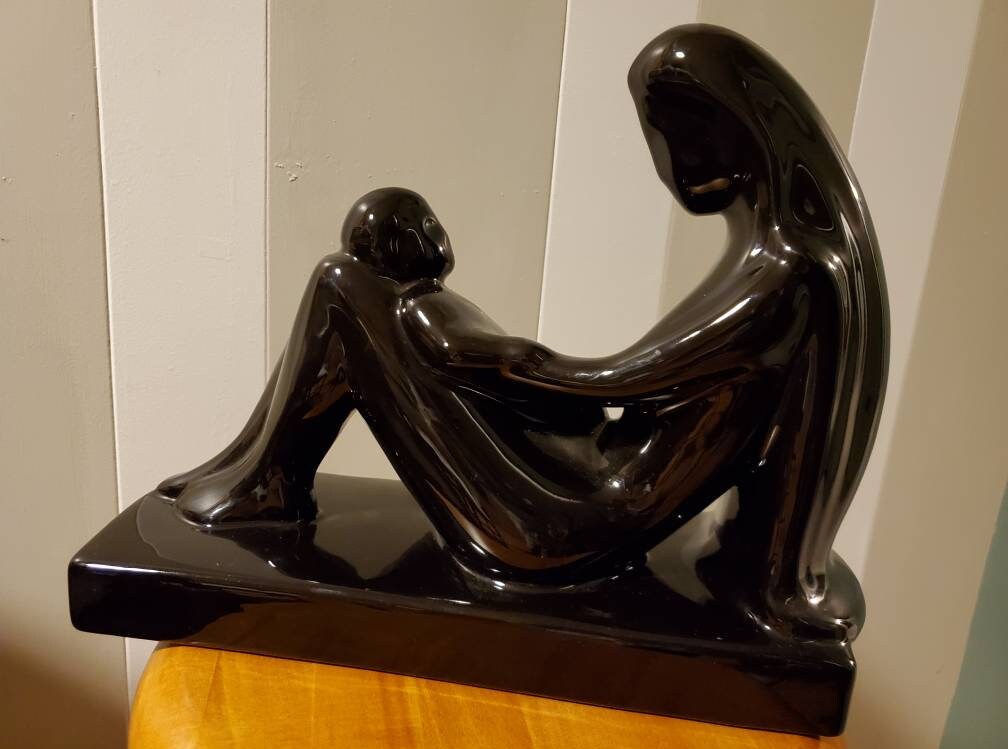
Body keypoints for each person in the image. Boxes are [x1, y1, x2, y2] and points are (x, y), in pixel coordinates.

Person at [161, 26, 887, 640]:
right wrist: (490, 365)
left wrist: (485, 360)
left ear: (724, 125)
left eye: (664, 134)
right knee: (348, 286)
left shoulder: (788, 278)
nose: (666, 164)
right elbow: (614, 398)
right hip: (578, 479)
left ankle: (267, 482)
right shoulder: (785, 265)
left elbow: (612, 383)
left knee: (344, 289)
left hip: (564, 532)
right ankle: (255, 471)